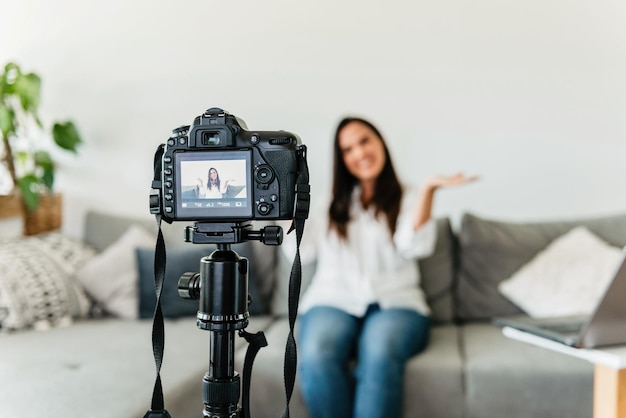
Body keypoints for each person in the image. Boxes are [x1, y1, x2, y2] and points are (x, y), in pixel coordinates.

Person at [293, 116, 477, 418]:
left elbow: (414, 245)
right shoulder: (327, 202)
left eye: (365, 141)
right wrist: (286, 201)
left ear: (380, 142)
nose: (360, 153)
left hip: (397, 303)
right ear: (341, 160)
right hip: (332, 299)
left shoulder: (410, 196)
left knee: (379, 354)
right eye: (348, 149)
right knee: (316, 355)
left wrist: (429, 189)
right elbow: (301, 252)